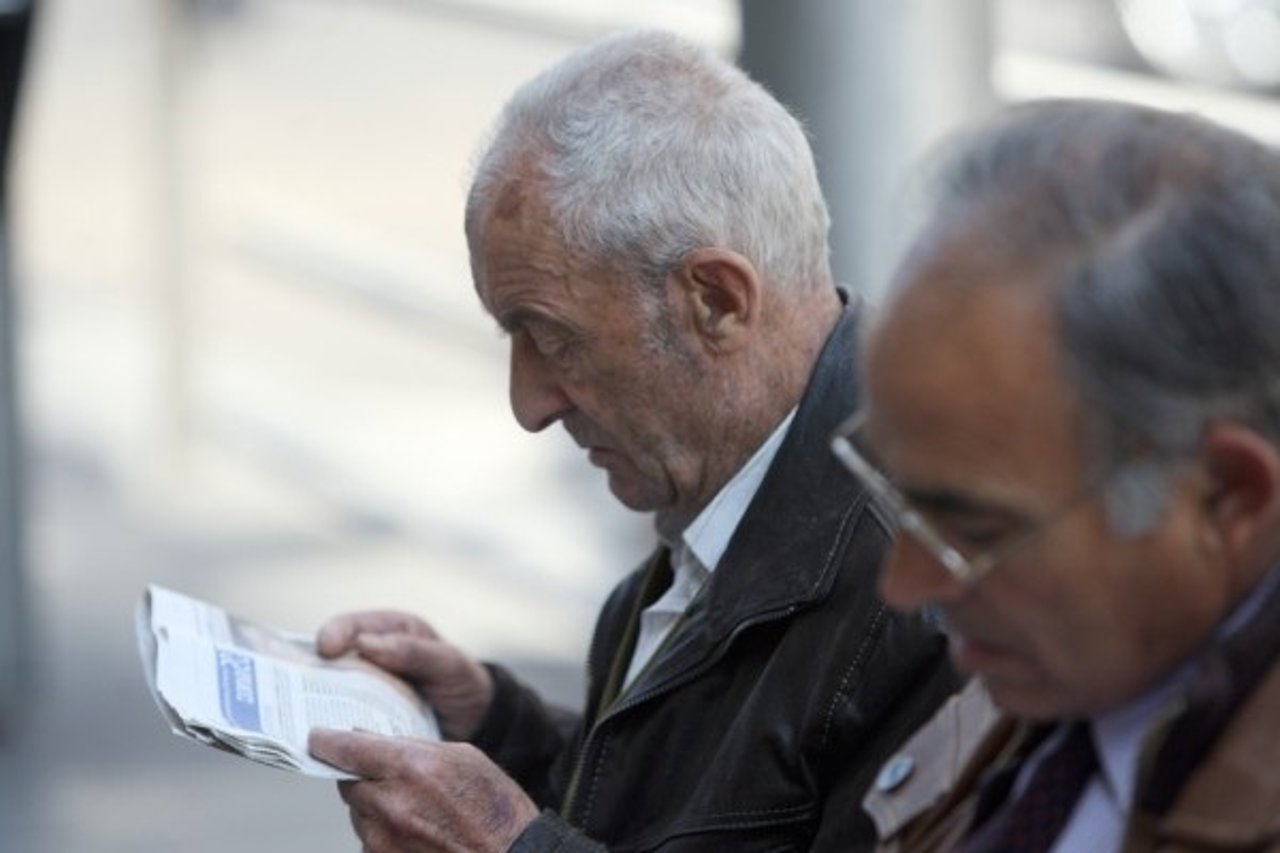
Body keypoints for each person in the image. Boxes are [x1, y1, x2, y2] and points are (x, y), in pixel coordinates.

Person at [306, 28, 959, 853]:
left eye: (552, 337)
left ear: (716, 300)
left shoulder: (919, 587)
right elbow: (688, 799)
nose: (529, 404)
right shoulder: (739, 481)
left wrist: (511, 846)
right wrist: (494, 723)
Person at [837, 99, 1280, 851]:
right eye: (899, 496)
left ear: (1226, 493)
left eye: (977, 529)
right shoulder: (1089, 666)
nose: (904, 585)